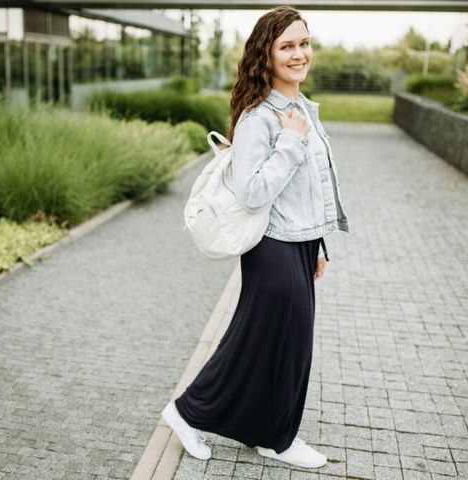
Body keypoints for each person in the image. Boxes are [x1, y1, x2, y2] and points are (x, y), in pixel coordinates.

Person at [162, 4, 349, 470]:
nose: (299, 53)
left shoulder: (302, 107)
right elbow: (251, 191)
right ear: (265, 54)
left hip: (299, 244)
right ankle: (190, 413)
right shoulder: (259, 118)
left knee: (281, 345)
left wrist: (319, 243)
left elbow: (312, 188)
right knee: (263, 346)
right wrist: (289, 142)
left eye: (304, 43)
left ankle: (268, 435)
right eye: (287, 46)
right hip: (273, 247)